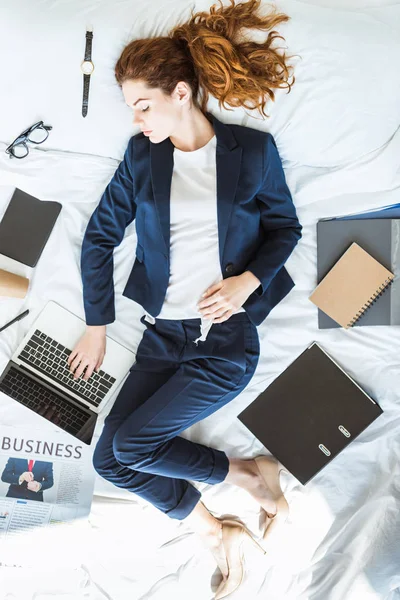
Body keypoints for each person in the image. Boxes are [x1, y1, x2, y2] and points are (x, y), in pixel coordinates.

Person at [67, 0, 301, 597]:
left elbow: (285, 229)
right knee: (110, 462)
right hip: (162, 336)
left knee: (132, 446)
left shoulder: (250, 152)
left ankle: (251, 475)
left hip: (224, 344)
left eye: (144, 104)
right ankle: (216, 531)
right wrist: (97, 324)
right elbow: (100, 235)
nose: (137, 119)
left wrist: (248, 282)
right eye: (130, 109)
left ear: (180, 92)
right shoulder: (143, 156)